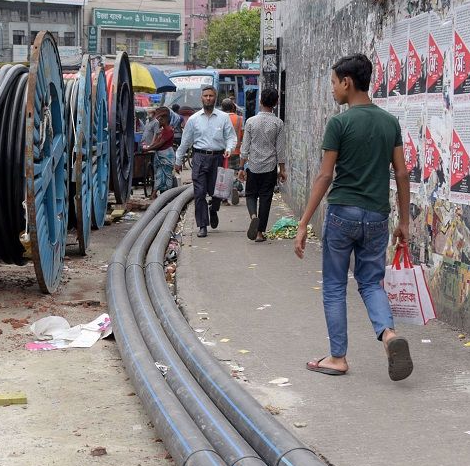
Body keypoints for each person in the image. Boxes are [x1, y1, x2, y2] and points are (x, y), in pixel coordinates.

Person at [295, 53, 413, 381]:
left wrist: (303, 222)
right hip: (376, 216)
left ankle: (337, 358)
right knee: (370, 281)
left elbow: (324, 177)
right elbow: (402, 174)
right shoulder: (389, 122)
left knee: (334, 284)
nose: (332, 90)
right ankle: (388, 335)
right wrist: (403, 222)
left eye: (333, 83)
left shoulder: (340, 123)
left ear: (347, 82)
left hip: (342, 214)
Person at [174, 85, 237, 238]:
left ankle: (214, 209)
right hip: (199, 158)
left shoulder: (223, 117)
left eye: (211, 96)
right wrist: (178, 160)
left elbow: (231, 137)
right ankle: (202, 225)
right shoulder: (194, 120)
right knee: (200, 193)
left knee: (217, 192)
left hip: (218, 158)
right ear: (201, 98)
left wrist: (229, 148)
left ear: (215, 98)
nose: (208, 98)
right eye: (205, 96)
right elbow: (186, 141)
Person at [239, 88, 286, 242]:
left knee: (251, 194)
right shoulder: (278, 123)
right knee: (266, 198)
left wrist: (241, 167)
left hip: (253, 166)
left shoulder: (251, 121)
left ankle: (253, 216)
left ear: (260, 101)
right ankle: (260, 233)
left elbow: (245, 148)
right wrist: (282, 170)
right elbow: (280, 149)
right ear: (276, 102)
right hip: (270, 167)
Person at [142, 107, 177, 199]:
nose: (158, 121)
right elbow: (156, 142)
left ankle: (165, 196)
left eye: (160, 119)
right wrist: (149, 147)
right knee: (159, 175)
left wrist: (148, 149)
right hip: (160, 155)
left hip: (166, 155)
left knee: (166, 176)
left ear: (165, 119)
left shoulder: (169, 131)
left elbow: (160, 144)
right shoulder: (162, 131)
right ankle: (158, 195)